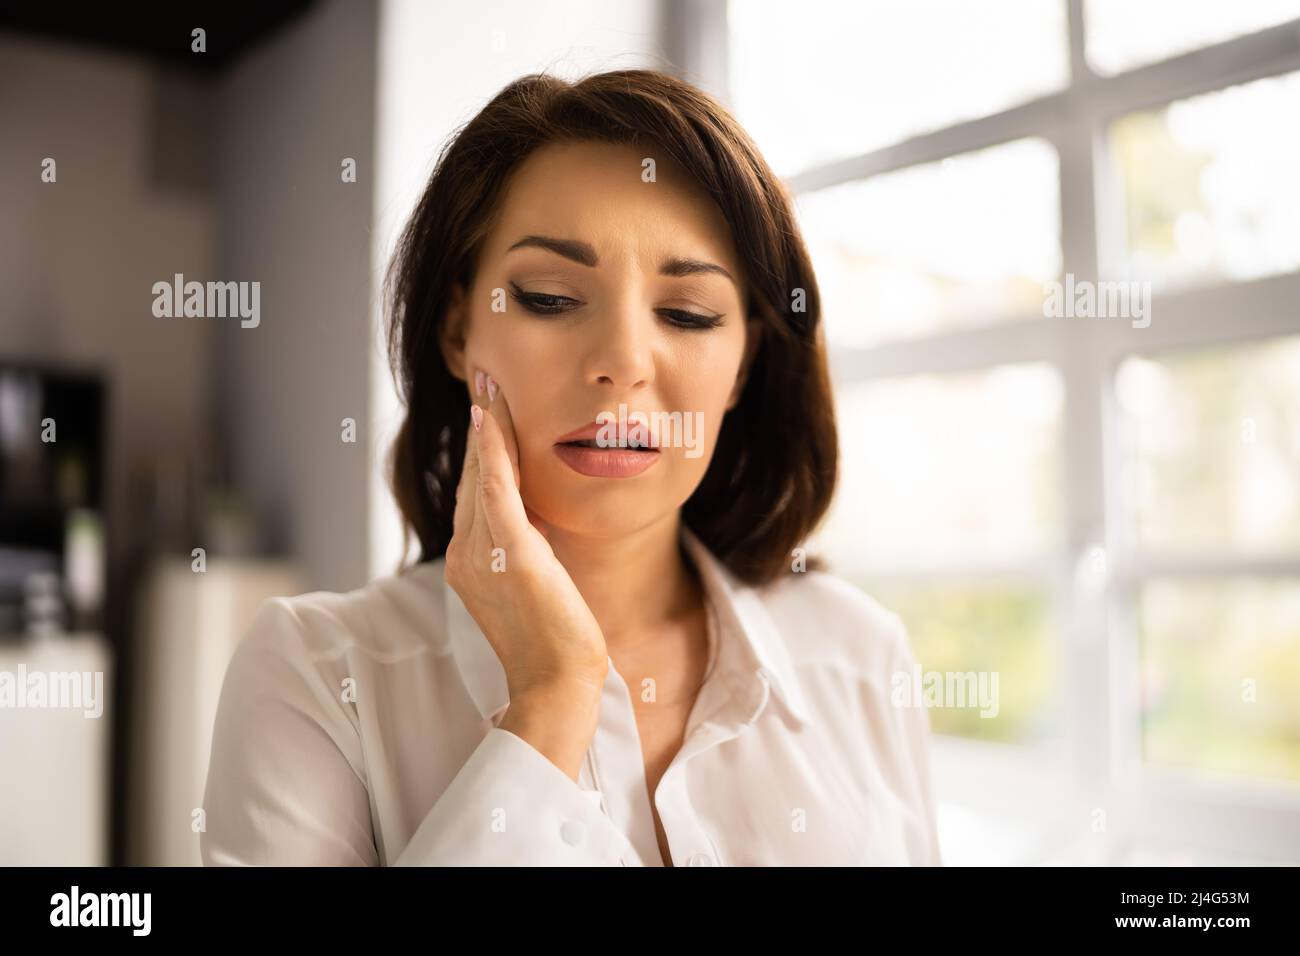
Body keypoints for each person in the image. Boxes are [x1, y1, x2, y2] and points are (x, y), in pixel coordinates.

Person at [200, 68, 942, 867]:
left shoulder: (861, 655)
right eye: (549, 297)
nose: (622, 362)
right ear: (457, 332)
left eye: (688, 313)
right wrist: (550, 703)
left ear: (745, 364)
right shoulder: (315, 676)